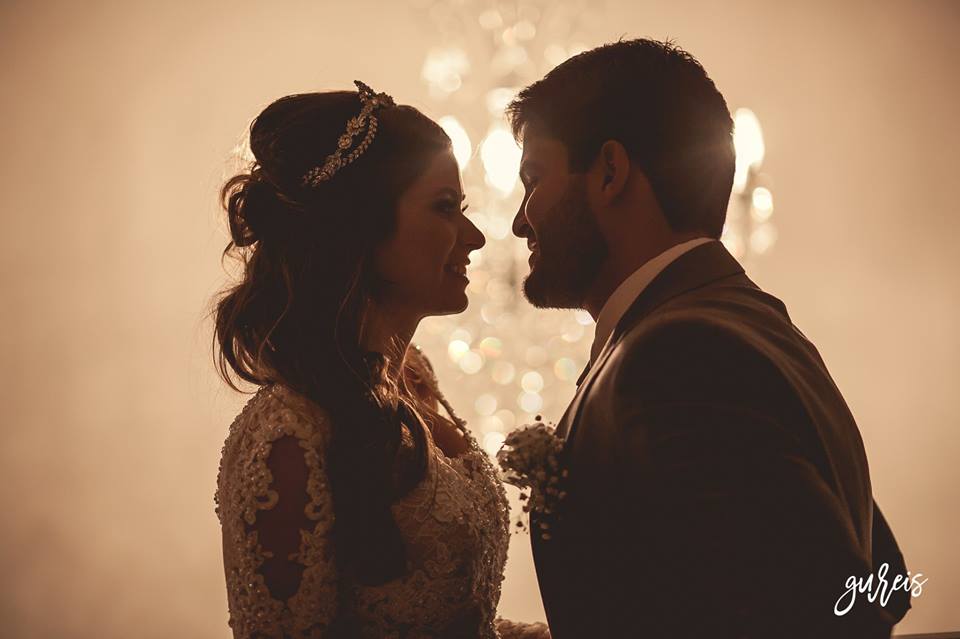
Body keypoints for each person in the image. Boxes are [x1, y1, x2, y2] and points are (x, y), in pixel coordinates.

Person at [507, 39, 911, 638]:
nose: (520, 220)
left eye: (533, 179)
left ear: (610, 172)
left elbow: (823, 609)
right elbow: (887, 578)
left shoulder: (676, 357)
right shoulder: (754, 325)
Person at [211, 82, 548, 638]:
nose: (474, 237)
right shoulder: (287, 435)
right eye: (444, 208)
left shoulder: (415, 374)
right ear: (360, 229)